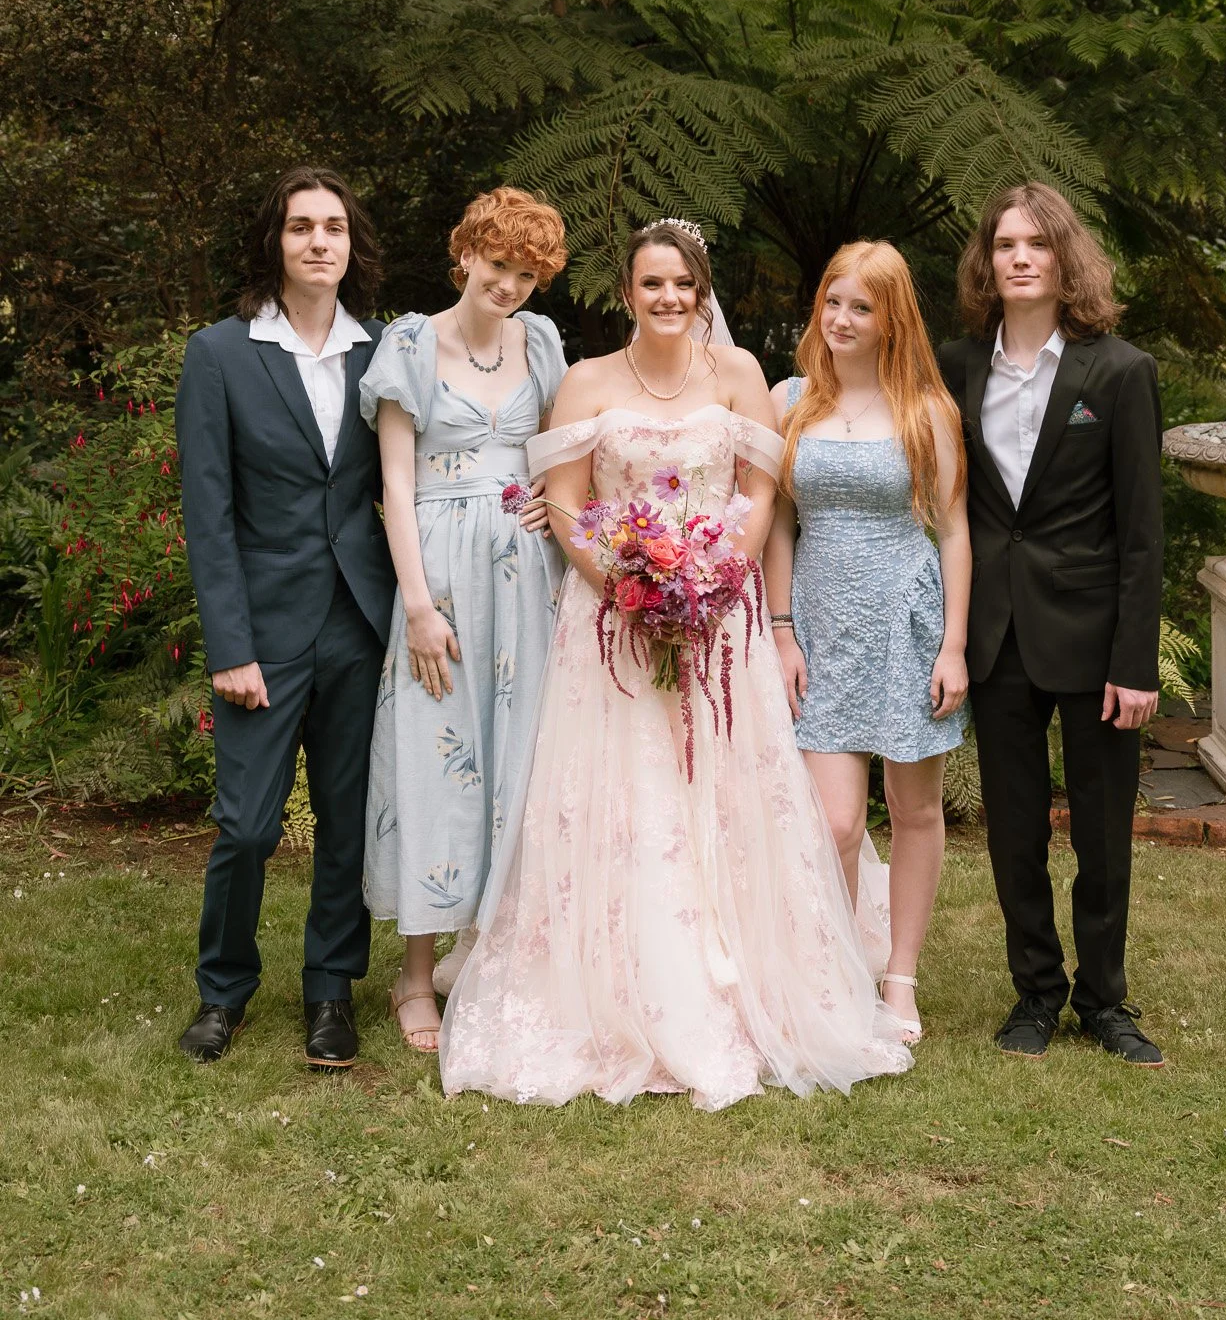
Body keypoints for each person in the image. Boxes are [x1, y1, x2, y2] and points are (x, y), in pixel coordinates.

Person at [438, 219, 910, 1109]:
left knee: (725, 797)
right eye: (650, 285)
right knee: (620, 800)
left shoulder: (736, 378)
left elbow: (761, 492)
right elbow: (570, 507)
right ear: (626, 294)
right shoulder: (584, 383)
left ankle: (747, 980)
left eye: (682, 286)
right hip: (609, 628)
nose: (667, 300)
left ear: (701, 294)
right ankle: (614, 991)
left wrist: (709, 578)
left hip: (719, 619)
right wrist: (627, 588)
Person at [174, 166, 396, 1068]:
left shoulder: (383, 352)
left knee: (345, 817)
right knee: (249, 825)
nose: (318, 242)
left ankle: (331, 991)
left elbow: (418, 479)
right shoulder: (220, 354)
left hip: (357, 621)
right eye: (301, 226)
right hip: (261, 629)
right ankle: (222, 989)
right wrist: (229, 644)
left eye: (334, 228)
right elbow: (207, 509)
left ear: (352, 245)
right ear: (275, 240)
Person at [938, 184, 1164, 1065]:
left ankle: (1104, 1001)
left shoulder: (1117, 371)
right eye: (1004, 244)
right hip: (996, 633)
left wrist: (1135, 661)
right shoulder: (957, 367)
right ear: (986, 263)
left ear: (1064, 257)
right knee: (1014, 830)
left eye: (1036, 243)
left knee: (1104, 834)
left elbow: (1142, 532)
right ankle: (1034, 991)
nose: (1020, 257)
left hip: (1095, 633)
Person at [358, 187, 569, 1053]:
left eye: (527, 274)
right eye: (498, 265)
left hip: (529, 579)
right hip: (441, 573)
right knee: (432, 756)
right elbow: (395, 485)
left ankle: (491, 956)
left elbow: (563, 449)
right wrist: (415, 604)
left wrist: (556, 507)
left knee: (524, 757)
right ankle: (414, 974)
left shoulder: (545, 343)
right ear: (466, 253)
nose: (509, 285)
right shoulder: (410, 342)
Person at [764, 241, 970, 1046]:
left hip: (903, 622)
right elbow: (778, 522)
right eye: (832, 302)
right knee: (836, 821)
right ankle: (834, 964)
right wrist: (781, 630)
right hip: (817, 621)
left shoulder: (924, 410)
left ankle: (899, 977)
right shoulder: (791, 401)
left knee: (914, 810)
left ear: (891, 319)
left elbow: (953, 531)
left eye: (861, 307)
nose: (842, 319)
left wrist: (951, 645)